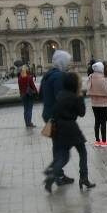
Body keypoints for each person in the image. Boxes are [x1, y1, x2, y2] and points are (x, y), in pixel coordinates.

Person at [44, 72, 95, 192]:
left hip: (58, 127)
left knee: (63, 155)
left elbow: (55, 110)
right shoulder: (76, 96)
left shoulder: (60, 94)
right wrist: (81, 97)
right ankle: (84, 178)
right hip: (71, 127)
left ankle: (53, 173)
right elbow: (81, 113)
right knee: (82, 152)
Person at [40, 50, 73, 183]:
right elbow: (62, 98)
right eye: (67, 61)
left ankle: (58, 175)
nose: (69, 64)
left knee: (57, 145)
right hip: (58, 117)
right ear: (62, 62)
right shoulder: (59, 76)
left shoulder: (47, 75)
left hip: (48, 115)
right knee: (64, 147)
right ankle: (53, 171)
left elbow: (40, 95)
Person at [87, 62, 107, 145]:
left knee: (97, 122)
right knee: (103, 122)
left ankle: (97, 140)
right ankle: (104, 141)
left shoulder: (90, 77)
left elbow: (88, 88)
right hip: (104, 104)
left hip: (94, 104)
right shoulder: (103, 78)